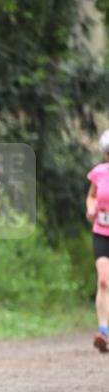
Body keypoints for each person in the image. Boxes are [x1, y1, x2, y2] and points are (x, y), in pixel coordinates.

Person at [86, 129, 109, 353]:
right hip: (102, 232)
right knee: (103, 280)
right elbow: (92, 196)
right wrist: (91, 209)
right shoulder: (99, 172)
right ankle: (103, 331)